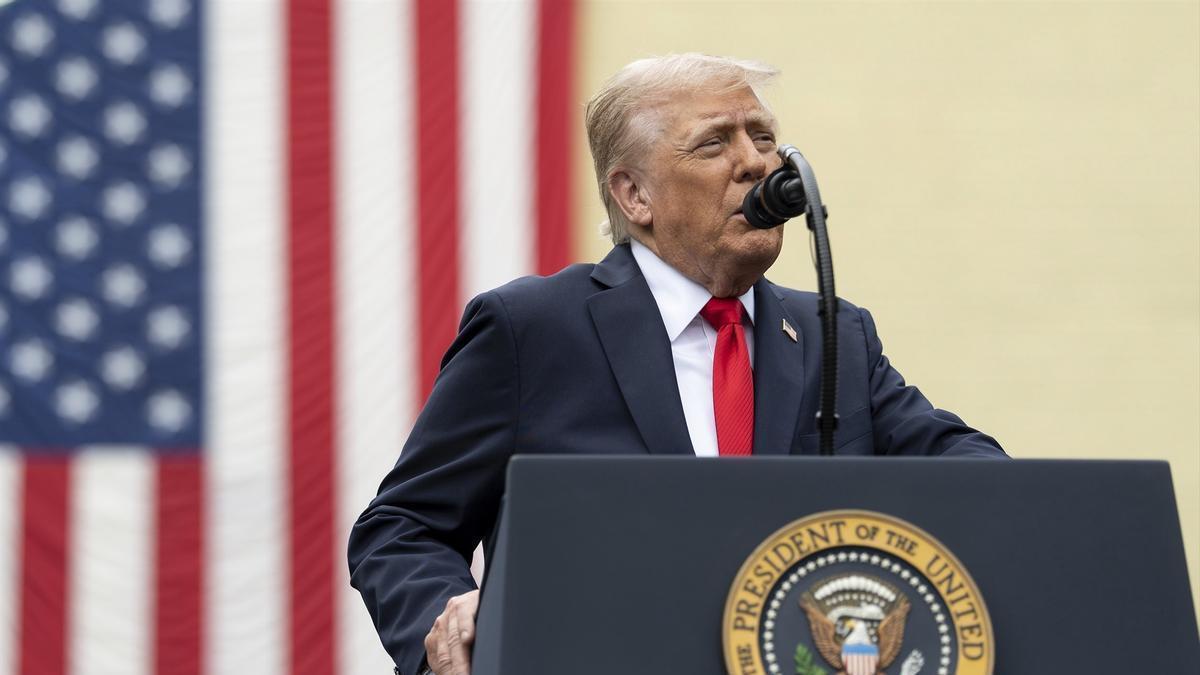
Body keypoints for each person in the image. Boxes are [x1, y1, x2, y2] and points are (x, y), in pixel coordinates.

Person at [348, 53, 1005, 675]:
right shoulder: (533, 330)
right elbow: (402, 527)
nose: (757, 162)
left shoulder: (834, 335)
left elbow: (980, 479)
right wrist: (447, 618)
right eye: (715, 143)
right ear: (635, 194)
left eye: (763, 137)